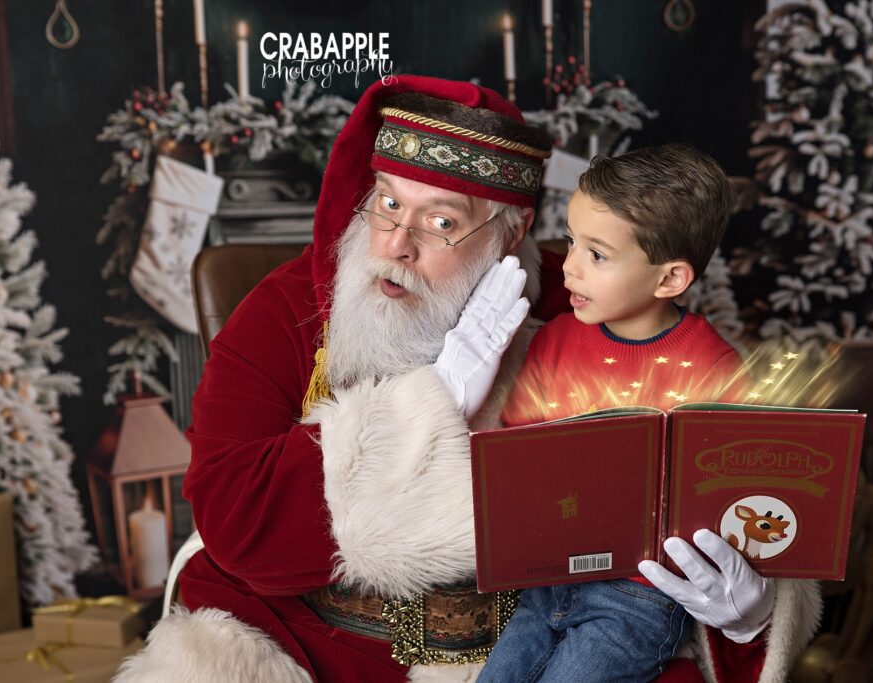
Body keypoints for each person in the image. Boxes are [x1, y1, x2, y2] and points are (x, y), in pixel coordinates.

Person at [115, 76, 820, 683]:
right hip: (308, 636)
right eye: (387, 202)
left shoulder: (584, 309)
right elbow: (233, 513)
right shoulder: (288, 310)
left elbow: (714, 469)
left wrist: (750, 609)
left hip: (522, 639)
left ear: (508, 236)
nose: (395, 242)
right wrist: (429, 406)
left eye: (440, 220)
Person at [481, 144, 758, 683]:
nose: (572, 267)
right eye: (571, 242)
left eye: (598, 254)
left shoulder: (713, 369)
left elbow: (725, 496)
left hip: (640, 595)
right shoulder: (556, 340)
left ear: (670, 280)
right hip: (547, 580)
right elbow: (518, 450)